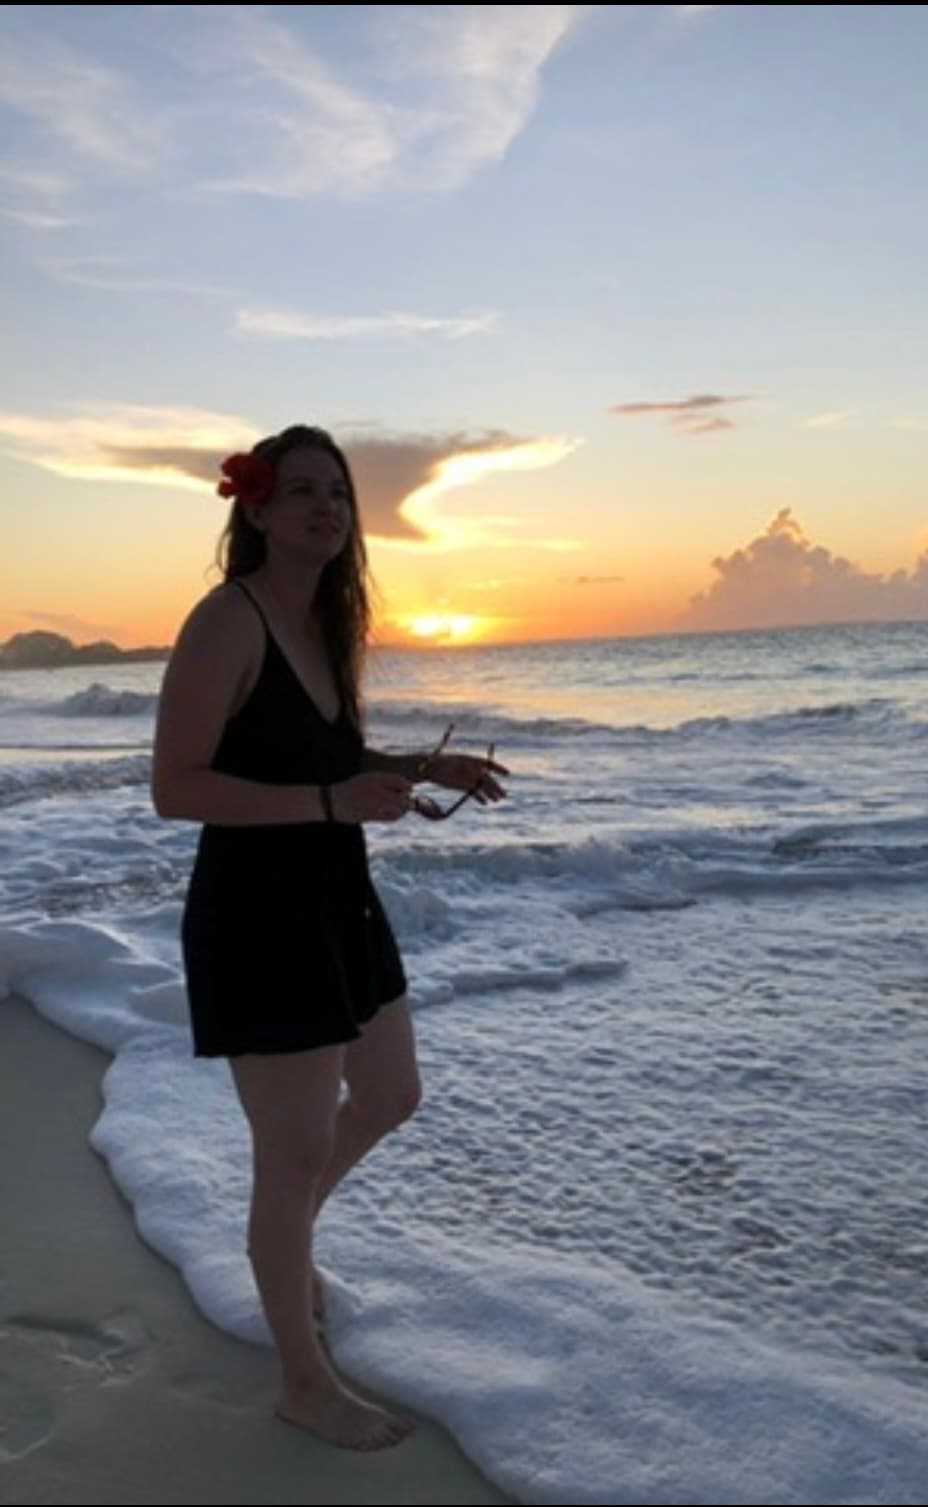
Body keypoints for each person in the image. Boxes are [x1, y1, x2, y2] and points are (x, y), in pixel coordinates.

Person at [151, 424, 507, 1450]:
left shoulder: (326, 623)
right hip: (257, 916)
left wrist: (418, 769)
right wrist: (331, 798)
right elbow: (177, 789)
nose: (326, 509)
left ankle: (285, 1233)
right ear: (253, 508)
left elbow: (326, 760)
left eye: (339, 495)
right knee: (293, 1149)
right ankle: (301, 1380)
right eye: (301, 491)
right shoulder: (228, 621)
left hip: (336, 898)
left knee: (393, 1094)